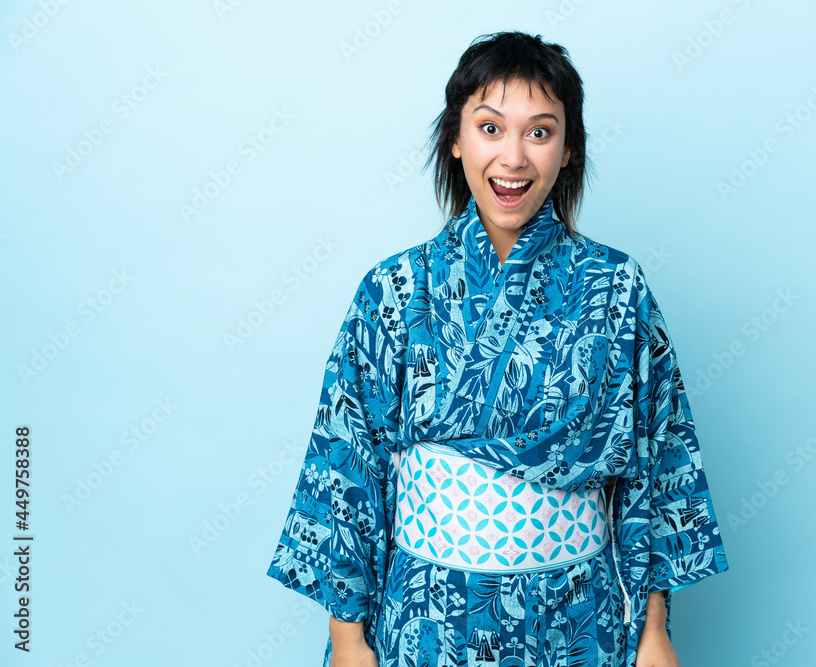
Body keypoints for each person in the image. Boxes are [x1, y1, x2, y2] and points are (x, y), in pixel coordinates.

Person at [265, 30, 729, 667]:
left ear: (568, 151)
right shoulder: (396, 290)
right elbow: (346, 466)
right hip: (427, 619)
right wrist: (348, 640)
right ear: (455, 140)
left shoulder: (616, 287)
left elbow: (652, 463)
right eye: (490, 128)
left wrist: (654, 633)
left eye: (540, 132)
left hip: (578, 619)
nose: (513, 156)